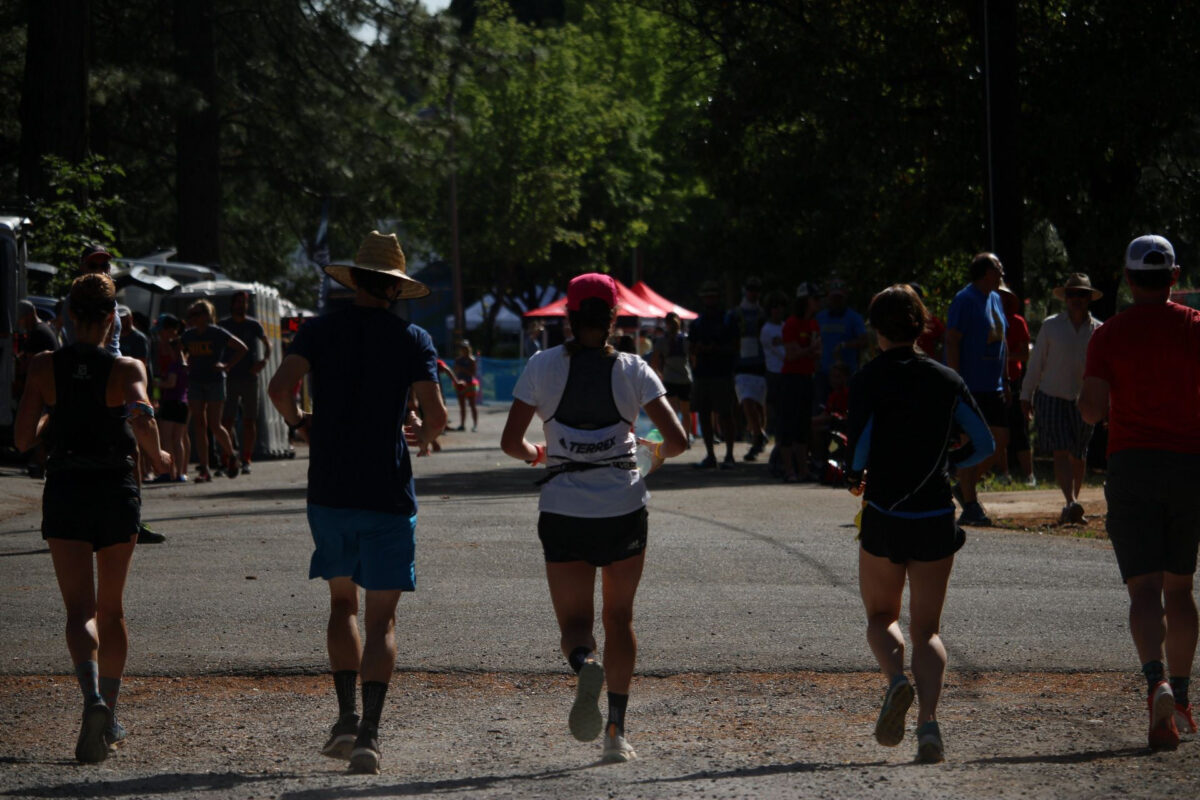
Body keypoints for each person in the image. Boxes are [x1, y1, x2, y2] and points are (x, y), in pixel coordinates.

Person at [268, 230, 447, 775]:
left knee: (341, 605)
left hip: (330, 489)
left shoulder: (319, 330)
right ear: (394, 288)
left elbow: (279, 388)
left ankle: (345, 718)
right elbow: (436, 415)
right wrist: (421, 432)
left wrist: (300, 424)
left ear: (355, 282)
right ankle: (369, 734)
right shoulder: (413, 338)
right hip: (387, 492)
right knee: (381, 621)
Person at [500, 272, 688, 763]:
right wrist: (651, 451)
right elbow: (678, 441)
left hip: (563, 510)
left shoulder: (542, 366)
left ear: (568, 316)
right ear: (613, 318)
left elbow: (510, 442)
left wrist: (539, 454)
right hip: (622, 506)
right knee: (619, 618)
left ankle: (585, 663)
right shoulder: (633, 368)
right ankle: (616, 734)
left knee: (576, 624)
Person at [14, 273, 172, 763]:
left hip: (66, 488)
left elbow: (22, 438)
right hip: (114, 490)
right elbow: (141, 414)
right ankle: (111, 712)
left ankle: (92, 699)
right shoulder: (126, 367)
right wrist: (160, 455)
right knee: (112, 609)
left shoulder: (43, 366)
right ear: (111, 320)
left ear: (66, 316)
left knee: (79, 611)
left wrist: (50, 417)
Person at [847, 284, 994, 764]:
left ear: (876, 329)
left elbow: (860, 448)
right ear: (921, 325)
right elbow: (985, 444)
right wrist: (953, 464)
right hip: (934, 513)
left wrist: (854, 476)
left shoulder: (869, 378)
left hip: (885, 513)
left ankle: (896, 681)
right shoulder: (947, 379)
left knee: (881, 618)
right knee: (927, 629)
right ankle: (929, 725)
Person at [1079, 235, 1200, 750]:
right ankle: (1185, 695)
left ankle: (1157, 683)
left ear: (1128, 281)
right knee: (1180, 588)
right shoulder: (1195, 326)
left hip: (1132, 466)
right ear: (1174, 277)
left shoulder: (1108, 334)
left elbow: (1091, 410)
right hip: (1189, 466)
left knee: (1145, 590)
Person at [1021, 273, 1103, 522]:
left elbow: (1104, 370)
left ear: (1089, 298)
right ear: (1065, 298)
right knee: (1060, 450)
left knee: (1079, 453)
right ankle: (1071, 501)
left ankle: (1073, 503)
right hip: (1051, 396)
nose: (1076, 299)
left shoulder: (1099, 330)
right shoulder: (1051, 326)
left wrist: (1107, 402)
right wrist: (1026, 395)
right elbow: (1036, 363)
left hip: (1084, 400)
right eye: (1071, 294)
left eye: (1081, 294)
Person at [944, 252, 1008, 526]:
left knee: (1000, 440)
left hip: (994, 385)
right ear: (985, 272)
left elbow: (1002, 342)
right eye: (998, 268)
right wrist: (955, 380)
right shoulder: (964, 300)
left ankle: (961, 483)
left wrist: (1006, 379)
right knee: (973, 442)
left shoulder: (996, 298)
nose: (1002, 272)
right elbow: (952, 340)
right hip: (970, 385)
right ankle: (970, 505)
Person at [181, 299, 247, 481]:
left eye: (195, 314)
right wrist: (185, 361)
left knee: (214, 424)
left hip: (215, 381)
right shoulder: (188, 335)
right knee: (199, 425)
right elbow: (180, 349)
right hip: (195, 381)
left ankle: (231, 455)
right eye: (190, 315)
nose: (192, 318)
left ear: (206, 315)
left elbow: (242, 348)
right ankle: (205, 468)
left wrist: (227, 365)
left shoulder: (216, 332)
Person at [220, 291, 272, 473]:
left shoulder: (253, 324)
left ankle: (246, 459)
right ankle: (227, 458)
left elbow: (268, 343)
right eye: (239, 302)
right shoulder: (224, 325)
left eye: (244, 302)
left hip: (250, 377)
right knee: (227, 420)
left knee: (250, 420)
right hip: (229, 377)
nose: (242, 305)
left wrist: (264, 361)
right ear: (232, 304)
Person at [688, 280, 738, 469]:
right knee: (704, 414)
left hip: (722, 372)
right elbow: (691, 347)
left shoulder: (728, 320)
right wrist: (699, 349)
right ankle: (710, 455)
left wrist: (716, 349)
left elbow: (735, 346)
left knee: (726, 414)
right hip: (702, 373)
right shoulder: (698, 323)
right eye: (706, 296)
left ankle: (730, 455)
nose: (709, 300)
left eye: (712, 296)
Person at [775, 283, 822, 482]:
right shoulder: (791, 323)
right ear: (805, 300)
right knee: (788, 424)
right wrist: (809, 350)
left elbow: (817, 352)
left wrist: (807, 351)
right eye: (815, 298)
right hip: (791, 379)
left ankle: (803, 470)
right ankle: (789, 470)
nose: (818, 302)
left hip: (807, 378)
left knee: (803, 425)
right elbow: (791, 354)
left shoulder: (813, 324)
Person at [15, 299, 59, 478]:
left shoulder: (38, 332)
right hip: (50, 386)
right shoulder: (42, 329)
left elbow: (29, 362)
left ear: (28, 315)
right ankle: (39, 463)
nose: (20, 323)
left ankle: (39, 463)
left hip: (44, 387)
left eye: (21, 319)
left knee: (38, 426)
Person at [997, 284, 1034, 486]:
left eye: (1002, 296)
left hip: (1014, 380)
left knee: (1019, 429)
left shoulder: (1017, 321)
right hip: (992, 382)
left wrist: (1003, 357)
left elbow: (1024, 355)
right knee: (999, 428)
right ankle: (1004, 474)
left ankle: (1029, 475)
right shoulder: (988, 320)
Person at [729, 277, 769, 461]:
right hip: (742, 365)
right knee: (746, 401)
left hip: (760, 363)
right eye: (750, 289)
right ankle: (758, 435)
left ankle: (758, 434)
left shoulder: (763, 314)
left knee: (759, 405)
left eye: (756, 289)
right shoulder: (735, 314)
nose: (753, 293)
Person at [815, 277, 868, 407]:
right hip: (824, 373)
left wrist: (845, 345)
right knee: (821, 408)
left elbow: (864, 341)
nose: (836, 301)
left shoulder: (854, 318)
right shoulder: (820, 317)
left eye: (839, 298)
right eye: (834, 298)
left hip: (846, 374)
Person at [61, 244, 122, 354]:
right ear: (82, 267)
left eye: (104, 266)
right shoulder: (75, 299)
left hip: (112, 360)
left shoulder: (108, 297)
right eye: (93, 266)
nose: (99, 270)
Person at [118, 306, 154, 481]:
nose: (122, 321)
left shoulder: (139, 338)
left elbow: (142, 365)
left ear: (130, 318)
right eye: (120, 318)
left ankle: (148, 468)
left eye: (124, 318)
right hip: (120, 390)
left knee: (142, 428)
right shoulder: (115, 337)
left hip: (138, 389)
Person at [154, 334, 191, 483]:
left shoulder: (174, 365)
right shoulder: (186, 365)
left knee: (166, 439)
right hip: (183, 403)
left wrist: (157, 384)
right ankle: (180, 473)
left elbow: (171, 383)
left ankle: (169, 472)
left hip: (171, 402)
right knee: (178, 439)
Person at [650, 312, 693, 438]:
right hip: (685, 378)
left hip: (670, 379)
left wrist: (659, 374)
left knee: (673, 412)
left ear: (666, 324)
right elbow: (693, 358)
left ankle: (675, 438)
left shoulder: (662, 340)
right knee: (686, 412)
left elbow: (654, 362)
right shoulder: (686, 339)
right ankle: (686, 437)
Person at [758, 291, 788, 452]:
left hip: (787, 372)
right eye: (775, 307)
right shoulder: (766, 329)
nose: (778, 310)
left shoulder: (786, 326)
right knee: (775, 411)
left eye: (781, 307)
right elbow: (780, 352)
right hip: (773, 373)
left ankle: (782, 442)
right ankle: (776, 442)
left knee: (785, 411)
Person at [909, 284, 945, 361]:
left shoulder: (930, 319)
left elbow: (946, 340)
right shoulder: (898, 320)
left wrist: (938, 358)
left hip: (927, 363)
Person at [453, 340, 479, 432]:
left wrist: (462, 369)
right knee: (462, 406)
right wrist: (457, 370)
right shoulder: (458, 360)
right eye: (462, 348)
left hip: (470, 384)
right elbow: (455, 371)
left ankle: (475, 425)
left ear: (468, 348)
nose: (464, 349)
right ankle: (462, 425)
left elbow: (473, 373)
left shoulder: (472, 360)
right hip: (460, 384)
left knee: (472, 405)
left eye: (465, 348)